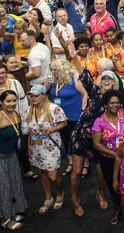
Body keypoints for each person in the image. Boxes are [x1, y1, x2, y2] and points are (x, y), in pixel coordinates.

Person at [24, 83, 68, 215]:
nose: (33, 98)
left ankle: (60, 192)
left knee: (53, 176)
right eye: (31, 96)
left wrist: (52, 129)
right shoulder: (28, 111)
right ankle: (48, 198)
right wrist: (29, 145)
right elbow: (30, 130)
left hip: (51, 146)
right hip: (36, 147)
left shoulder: (54, 109)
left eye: (36, 96)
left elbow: (64, 122)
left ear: (43, 96)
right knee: (42, 174)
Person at [92, 89, 124, 224]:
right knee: (114, 186)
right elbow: (96, 144)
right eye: (112, 103)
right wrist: (116, 154)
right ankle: (118, 209)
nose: (115, 105)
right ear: (105, 105)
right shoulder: (99, 122)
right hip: (108, 160)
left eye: (117, 103)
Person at [0, 90, 26, 230]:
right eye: (8, 101)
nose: (11, 104)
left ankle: (11, 211)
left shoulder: (16, 114)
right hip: (0, 158)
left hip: (12, 155)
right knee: (3, 189)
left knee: (14, 184)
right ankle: (4, 218)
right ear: (1, 103)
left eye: (13, 101)